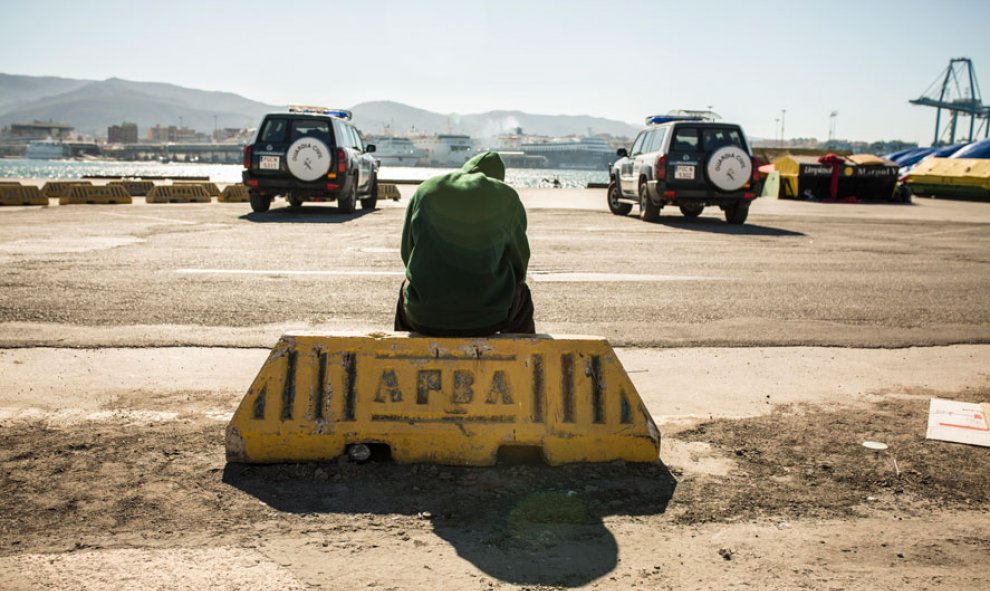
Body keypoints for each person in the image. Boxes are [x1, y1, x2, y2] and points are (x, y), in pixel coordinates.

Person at [394, 151, 535, 336]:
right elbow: (519, 263)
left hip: (423, 318)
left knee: (408, 287)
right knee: (521, 293)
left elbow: (407, 252)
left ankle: (400, 354)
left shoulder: (426, 189)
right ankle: (523, 359)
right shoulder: (506, 196)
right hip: (489, 320)